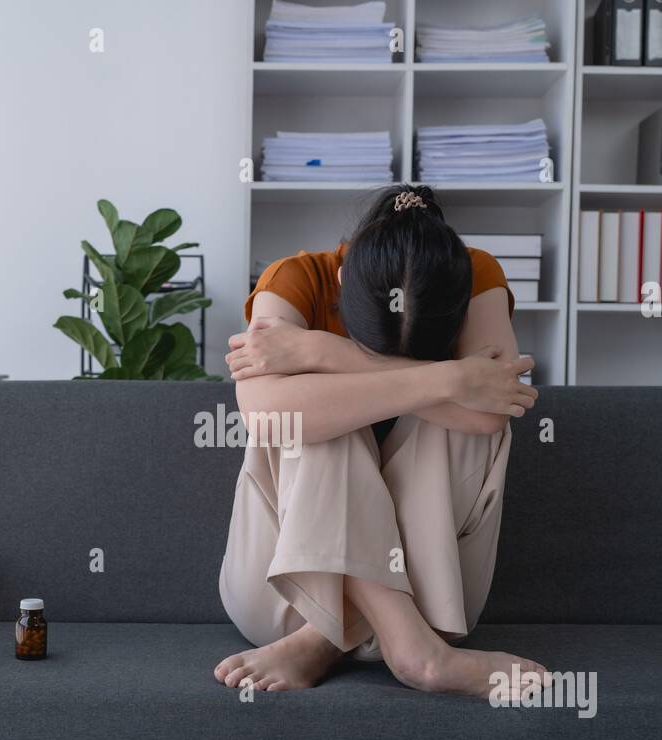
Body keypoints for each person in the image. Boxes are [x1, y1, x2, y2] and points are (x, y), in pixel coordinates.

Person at [215, 183, 545, 698]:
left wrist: (323, 352)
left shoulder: (475, 272)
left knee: (470, 418)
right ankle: (414, 654)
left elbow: (490, 414)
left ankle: (331, 639)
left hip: (435, 595)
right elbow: (263, 415)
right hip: (285, 595)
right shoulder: (296, 278)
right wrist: (449, 378)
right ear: (343, 281)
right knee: (309, 416)